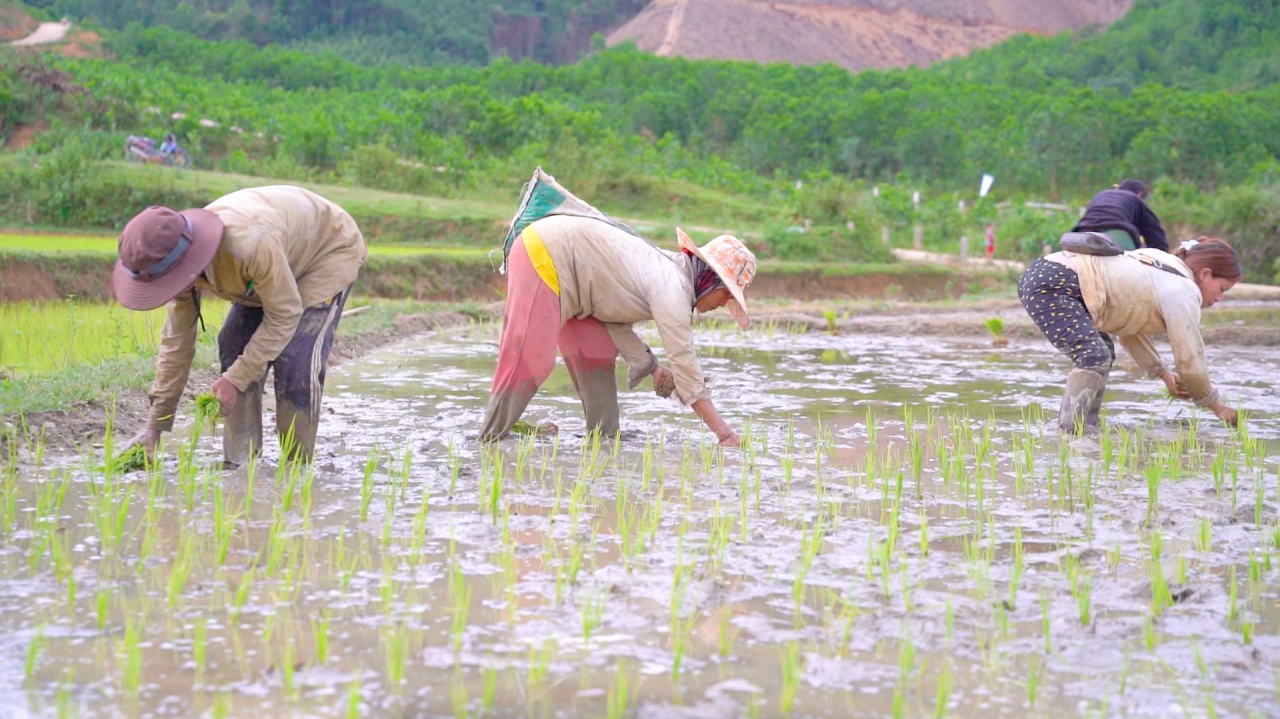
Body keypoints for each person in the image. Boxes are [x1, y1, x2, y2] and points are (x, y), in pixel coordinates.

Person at [116, 185, 368, 465]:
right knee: (233, 343)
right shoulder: (177, 262)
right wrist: (155, 427)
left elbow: (284, 315)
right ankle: (239, 464)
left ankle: (296, 468)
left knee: (296, 358)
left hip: (326, 251)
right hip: (277, 259)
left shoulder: (247, 247)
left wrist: (234, 380)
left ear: (187, 260)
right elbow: (177, 344)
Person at [479, 215, 755, 446]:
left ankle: (604, 439)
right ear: (710, 280)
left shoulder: (661, 275)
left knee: (597, 355)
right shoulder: (672, 286)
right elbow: (686, 365)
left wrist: (652, 368)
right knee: (533, 359)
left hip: (581, 293)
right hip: (546, 253)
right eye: (726, 294)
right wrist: (725, 434)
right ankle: (489, 438)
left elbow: (612, 318)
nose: (723, 304)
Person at [1018, 237, 1241, 434]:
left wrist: (1163, 374)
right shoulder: (1185, 291)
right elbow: (1190, 361)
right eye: (1223, 289)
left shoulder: (1163, 264)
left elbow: (1128, 331)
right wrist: (1217, 407)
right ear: (1205, 274)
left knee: (1102, 351)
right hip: (1057, 283)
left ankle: (1088, 426)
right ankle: (1069, 430)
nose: (1220, 297)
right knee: (1093, 357)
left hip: (1050, 273)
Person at [1072, 179, 1168, 251]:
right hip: (1117, 233)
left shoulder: (1101, 195)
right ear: (1140, 194)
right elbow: (1155, 235)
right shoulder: (1135, 199)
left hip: (1081, 232)